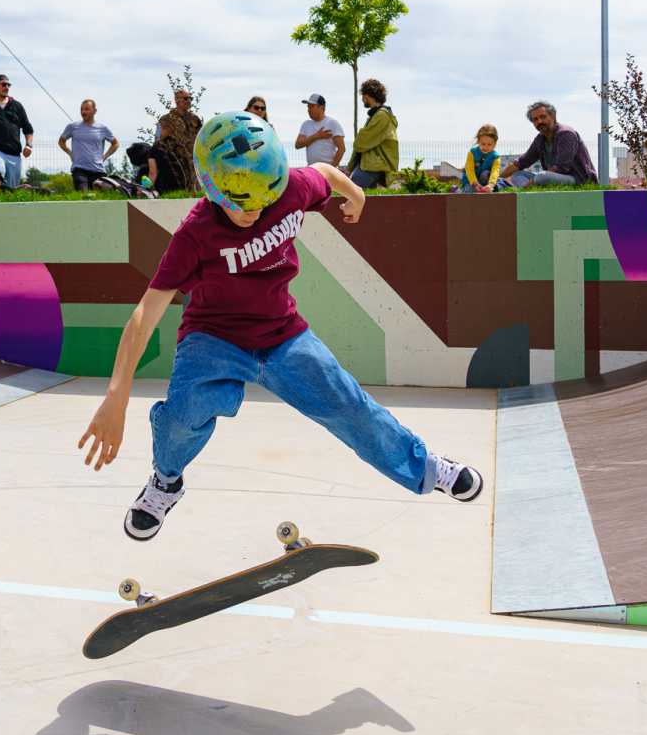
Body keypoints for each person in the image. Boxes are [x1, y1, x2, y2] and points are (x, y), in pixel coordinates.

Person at [78, 110, 484, 540]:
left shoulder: (290, 187)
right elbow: (144, 314)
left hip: (283, 334)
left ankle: (426, 467)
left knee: (350, 406)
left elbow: (325, 171)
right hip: (213, 340)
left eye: (262, 202)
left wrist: (357, 195)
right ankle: (165, 480)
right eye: (240, 205)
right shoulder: (195, 234)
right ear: (212, 189)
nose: (253, 212)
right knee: (182, 416)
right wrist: (116, 397)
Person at [498, 101, 597, 187]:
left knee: (542, 176)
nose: (539, 121)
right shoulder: (540, 139)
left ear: (553, 116)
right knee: (518, 175)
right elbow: (522, 162)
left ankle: (524, 190)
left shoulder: (566, 134)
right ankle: (527, 188)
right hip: (552, 178)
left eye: (543, 117)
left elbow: (561, 168)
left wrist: (529, 184)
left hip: (579, 179)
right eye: (535, 119)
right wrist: (496, 180)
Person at [347, 79, 398, 189]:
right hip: (371, 165)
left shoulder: (381, 116)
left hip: (372, 167)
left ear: (366, 96)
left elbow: (361, 143)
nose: (362, 100)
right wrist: (349, 168)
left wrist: (361, 135)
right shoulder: (377, 115)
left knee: (351, 193)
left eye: (362, 96)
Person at [58, 99, 119, 191]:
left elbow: (115, 144)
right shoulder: (73, 126)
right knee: (84, 197)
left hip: (98, 170)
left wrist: (105, 156)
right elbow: (61, 141)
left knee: (100, 200)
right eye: (81, 109)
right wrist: (70, 153)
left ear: (94, 111)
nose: (83, 112)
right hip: (79, 169)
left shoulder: (102, 128)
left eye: (86, 109)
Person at [155, 88, 203, 192]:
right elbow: (157, 140)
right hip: (177, 164)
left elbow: (202, 137)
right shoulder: (165, 119)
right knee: (179, 192)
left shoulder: (195, 119)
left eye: (191, 98)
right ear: (177, 100)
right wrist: (164, 134)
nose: (189, 101)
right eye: (186, 98)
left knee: (196, 191)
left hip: (194, 163)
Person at [295, 93, 346, 167]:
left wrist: (331, 169)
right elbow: (298, 145)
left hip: (328, 171)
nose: (309, 110)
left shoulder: (332, 123)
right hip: (311, 170)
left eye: (312, 106)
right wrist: (316, 136)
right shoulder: (306, 124)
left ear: (321, 107)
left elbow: (342, 149)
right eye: (308, 107)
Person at [460, 124, 502, 193]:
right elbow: (469, 169)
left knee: (487, 175)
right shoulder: (472, 153)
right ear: (478, 142)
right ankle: (461, 192)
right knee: (470, 191)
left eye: (489, 144)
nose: (485, 147)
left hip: (486, 183)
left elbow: (495, 172)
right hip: (471, 182)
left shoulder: (496, 157)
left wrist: (490, 185)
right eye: (483, 144)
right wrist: (475, 183)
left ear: (494, 144)